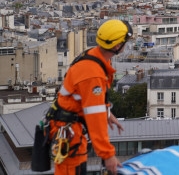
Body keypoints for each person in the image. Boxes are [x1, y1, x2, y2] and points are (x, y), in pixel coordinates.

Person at [46, 19, 128, 175]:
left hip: (69, 126)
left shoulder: (94, 56)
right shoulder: (93, 74)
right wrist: (108, 155)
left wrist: (107, 113)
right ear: (117, 46)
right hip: (69, 132)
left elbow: (87, 99)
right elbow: (95, 118)